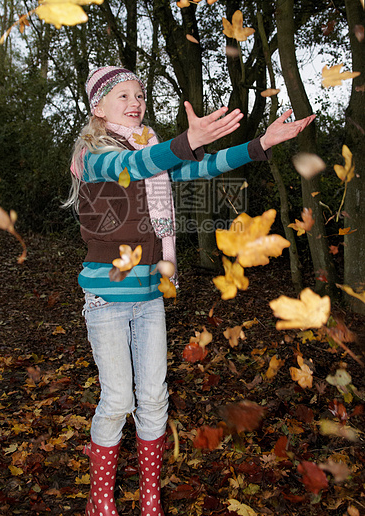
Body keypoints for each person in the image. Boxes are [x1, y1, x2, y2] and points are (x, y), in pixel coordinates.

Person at [65, 66, 315, 516]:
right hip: (106, 299)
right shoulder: (95, 155)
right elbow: (131, 166)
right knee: (119, 399)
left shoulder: (154, 161)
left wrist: (263, 144)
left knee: (156, 398)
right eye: (122, 96)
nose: (135, 101)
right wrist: (185, 140)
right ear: (98, 109)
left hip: (150, 297)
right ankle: (99, 500)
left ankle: (150, 498)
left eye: (139, 94)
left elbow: (200, 167)